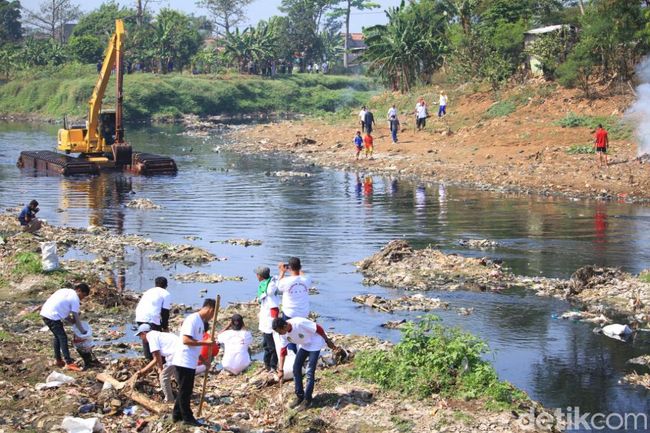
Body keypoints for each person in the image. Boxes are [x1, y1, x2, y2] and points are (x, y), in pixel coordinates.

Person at [273, 317, 338, 411]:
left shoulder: (299, 323)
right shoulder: (283, 334)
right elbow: (283, 352)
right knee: (296, 368)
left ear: (284, 326)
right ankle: (300, 396)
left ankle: (307, 400)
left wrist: (327, 341)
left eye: (279, 331)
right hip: (304, 345)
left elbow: (318, 328)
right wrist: (280, 370)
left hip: (315, 343)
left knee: (309, 372)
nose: (279, 334)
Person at [171, 299, 216, 426]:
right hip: (183, 361)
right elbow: (186, 340)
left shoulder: (201, 323)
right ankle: (188, 418)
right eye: (212, 314)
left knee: (185, 390)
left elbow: (195, 346)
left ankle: (176, 415)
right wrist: (205, 343)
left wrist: (203, 361)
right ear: (210, 310)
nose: (212, 317)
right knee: (186, 391)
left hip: (190, 361)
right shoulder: (193, 319)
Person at [40, 283, 90, 371]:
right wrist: (82, 331)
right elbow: (76, 316)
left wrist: (70, 320)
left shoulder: (66, 291)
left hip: (45, 313)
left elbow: (61, 308)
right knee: (63, 338)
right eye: (83, 295)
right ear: (78, 290)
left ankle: (58, 360)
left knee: (57, 337)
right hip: (52, 316)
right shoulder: (75, 298)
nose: (83, 298)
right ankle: (69, 363)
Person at [133, 324, 180, 403]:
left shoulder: (151, 337)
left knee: (163, 377)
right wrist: (160, 367)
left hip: (176, 355)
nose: (140, 338)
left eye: (140, 335)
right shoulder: (157, 334)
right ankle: (185, 393)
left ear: (144, 333)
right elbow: (159, 357)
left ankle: (169, 400)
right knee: (177, 374)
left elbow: (156, 358)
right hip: (181, 352)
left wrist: (142, 371)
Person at [277, 257, 311, 353]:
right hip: (303, 312)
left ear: (289, 268)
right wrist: (297, 269)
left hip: (290, 312)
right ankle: (303, 353)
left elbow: (279, 286)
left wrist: (282, 271)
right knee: (302, 333)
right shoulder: (307, 279)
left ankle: (293, 355)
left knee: (289, 334)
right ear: (300, 267)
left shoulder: (285, 281)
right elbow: (302, 275)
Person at [135, 277, 171, 360]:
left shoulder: (149, 291)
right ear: (166, 285)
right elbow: (165, 312)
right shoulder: (166, 293)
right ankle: (158, 361)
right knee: (157, 338)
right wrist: (165, 326)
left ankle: (148, 359)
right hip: (151, 318)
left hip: (140, 316)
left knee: (146, 338)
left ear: (155, 284)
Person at [256, 266, 280, 372]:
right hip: (265, 322)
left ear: (260, 276)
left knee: (272, 347)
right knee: (266, 345)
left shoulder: (269, 289)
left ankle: (272, 366)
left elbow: (274, 311)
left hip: (269, 324)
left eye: (257, 275)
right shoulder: (265, 286)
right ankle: (267, 365)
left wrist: (275, 323)